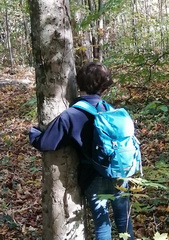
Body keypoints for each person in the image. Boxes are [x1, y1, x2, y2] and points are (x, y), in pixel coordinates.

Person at [29, 62, 135, 240]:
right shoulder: (110, 110)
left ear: (78, 84)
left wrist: (32, 132)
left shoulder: (71, 115)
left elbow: (46, 143)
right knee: (124, 220)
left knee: (102, 225)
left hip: (93, 176)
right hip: (119, 172)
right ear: (104, 87)